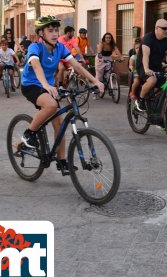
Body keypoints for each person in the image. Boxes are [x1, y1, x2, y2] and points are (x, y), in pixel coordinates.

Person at [20, 15, 104, 175]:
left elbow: (76, 66)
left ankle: (62, 160)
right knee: (51, 105)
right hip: (31, 85)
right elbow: (36, 67)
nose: (54, 33)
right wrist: (46, 85)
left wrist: (95, 81)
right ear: (41, 33)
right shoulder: (35, 48)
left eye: (56, 30)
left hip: (48, 87)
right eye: (49, 30)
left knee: (60, 124)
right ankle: (29, 133)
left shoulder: (60, 48)